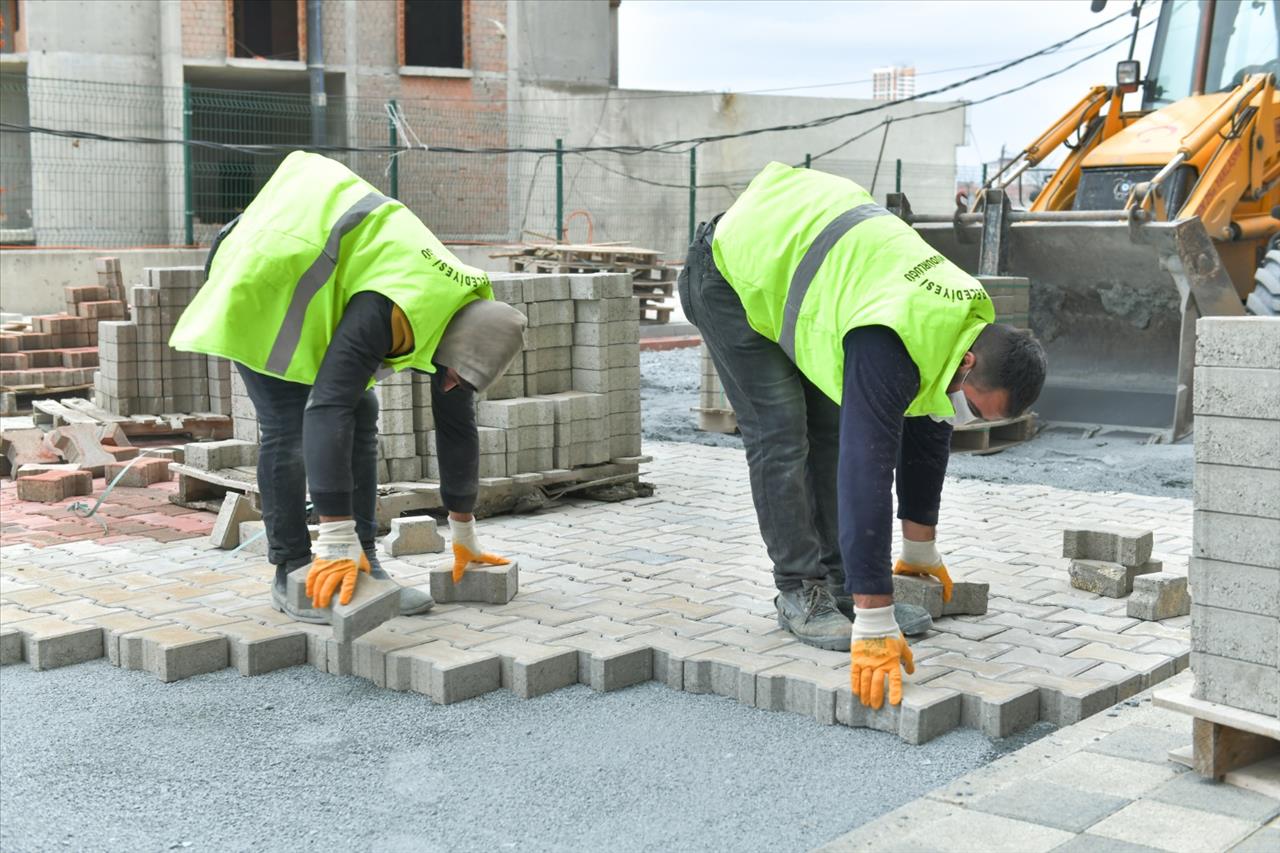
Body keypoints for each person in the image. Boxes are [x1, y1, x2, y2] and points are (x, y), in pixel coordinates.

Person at [679, 162, 1046, 709]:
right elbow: (865, 473)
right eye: (974, 407)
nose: (968, 418)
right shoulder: (891, 339)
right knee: (782, 432)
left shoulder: (961, 322)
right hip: (729, 271)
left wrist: (919, 549)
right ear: (970, 364)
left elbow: (928, 429)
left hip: (806, 254)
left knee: (828, 428)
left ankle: (846, 586)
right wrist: (876, 623)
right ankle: (799, 591)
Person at [171, 151, 526, 623]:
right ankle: (293, 567)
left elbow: (457, 427)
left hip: (314, 278)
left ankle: (363, 561)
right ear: (455, 345)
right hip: (261, 274)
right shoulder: (391, 305)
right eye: (455, 376)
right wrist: (332, 533)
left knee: (362, 412)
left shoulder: (468, 321)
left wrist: (463, 532)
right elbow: (326, 407)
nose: (452, 383)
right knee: (290, 423)